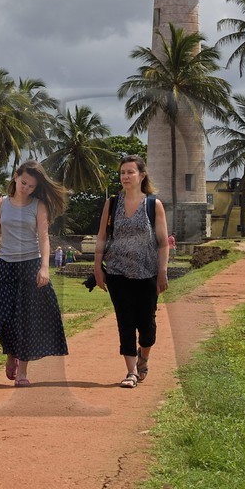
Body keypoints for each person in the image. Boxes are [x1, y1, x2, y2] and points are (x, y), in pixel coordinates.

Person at [0, 160, 70, 387]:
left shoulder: (38, 206)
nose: (26, 188)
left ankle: (22, 372)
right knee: (4, 318)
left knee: (26, 321)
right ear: (15, 176)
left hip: (31, 265)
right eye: (23, 183)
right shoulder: (1, 204)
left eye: (30, 186)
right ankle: (11, 354)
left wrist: (45, 267)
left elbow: (44, 238)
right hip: (7, 266)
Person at [93, 155, 170, 388]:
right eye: (122, 173)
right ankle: (131, 372)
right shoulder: (112, 203)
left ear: (142, 175)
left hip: (147, 273)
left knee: (147, 327)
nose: (125, 177)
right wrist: (97, 268)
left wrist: (163, 271)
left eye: (130, 172)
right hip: (117, 273)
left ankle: (143, 356)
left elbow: (163, 242)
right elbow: (102, 237)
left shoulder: (153, 205)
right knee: (125, 322)